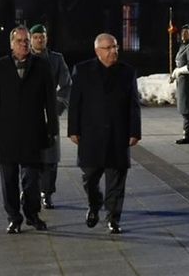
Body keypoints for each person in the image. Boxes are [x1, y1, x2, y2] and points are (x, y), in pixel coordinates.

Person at [68, 33, 142, 234]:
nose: (113, 51)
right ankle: (94, 204)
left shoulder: (127, 72)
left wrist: (135, 131)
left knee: (116, 180)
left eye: (115, 47)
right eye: (108, 48)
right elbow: (75, 103)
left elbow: (134, 105)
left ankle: (113, 217)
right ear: (97, 51)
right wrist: (73, 129)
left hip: (118, 134)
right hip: (91, 135)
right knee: (90, 177)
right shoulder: (82, 71)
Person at [0, 26, 58, 233]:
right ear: (11, 44)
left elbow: (50, 102)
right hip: (6, 132)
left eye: (26, 41)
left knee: (32, 180)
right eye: (19, 41)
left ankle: (32, 214)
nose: (24, 44)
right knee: (8, 180)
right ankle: (13, 217)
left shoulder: (42, 66)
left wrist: (52, 129)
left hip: (33, 132)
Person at [29, 24, 71, 209]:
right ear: (30, 39)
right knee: (29, 156)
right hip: (27, 115)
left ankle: (47, 192)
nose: (39, 40)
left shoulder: (56, 59)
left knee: (50, 158)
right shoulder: (24, 58)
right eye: (36, 36)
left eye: (42, 36)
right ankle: (30, 190)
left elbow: (66, 85)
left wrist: (56, 108)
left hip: (49, 114)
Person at [170, 24, 189, 144]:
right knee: (184, 108)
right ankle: (187, 133)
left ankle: (188, 135)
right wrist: (174, 75)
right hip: (181, 82)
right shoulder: (184, 46)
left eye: (186, 32)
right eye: (182, 32)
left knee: (187, 109)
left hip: (187, 83)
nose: (184, 34)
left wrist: (178, 71)